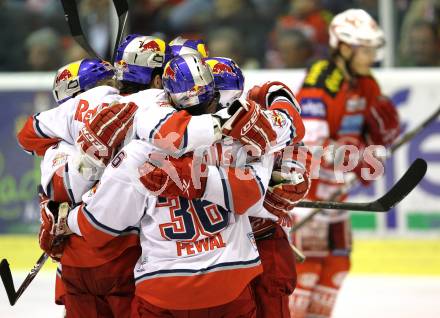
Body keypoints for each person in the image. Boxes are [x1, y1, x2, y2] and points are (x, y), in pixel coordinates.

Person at [289, 9, 400, 318]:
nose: (372, 56)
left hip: (336, 195)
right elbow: (311, 148)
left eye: (373, 48)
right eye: (365, 49)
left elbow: (367, 140)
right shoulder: (320, 81)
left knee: (338, 265)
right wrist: (358, 159)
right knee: (306, 270)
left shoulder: (366, 84)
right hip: (306, 196)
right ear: (344, 47)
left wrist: (374, 149)